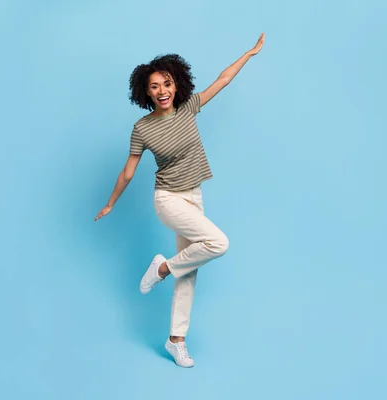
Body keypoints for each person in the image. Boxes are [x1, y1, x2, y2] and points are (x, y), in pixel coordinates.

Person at [94, 33, 265, 367]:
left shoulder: (189, 108)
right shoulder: (142, 128)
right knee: (218, 243)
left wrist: (249, 53)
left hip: (194, 195)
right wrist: (112, 202)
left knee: (189, 271)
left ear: (177, 84)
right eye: (155, 86)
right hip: (168, 199)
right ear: (145, 91)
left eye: (167, 84)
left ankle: (176, 340)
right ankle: (161, 268)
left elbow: (223, 80)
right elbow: (127, 172)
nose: (162, 91)